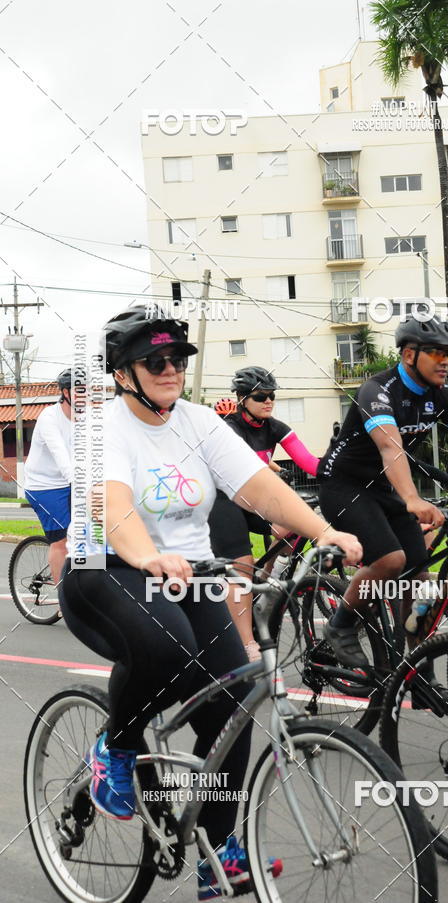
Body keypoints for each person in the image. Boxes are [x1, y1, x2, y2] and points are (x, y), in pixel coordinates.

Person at [58, 307, 361, 897]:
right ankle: (114, 750)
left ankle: (218, 849)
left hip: (190, 573)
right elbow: (113, 504)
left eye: (178, 360)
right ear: (124, 373)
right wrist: (147, 555)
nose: (171, 370)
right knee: (165, 648)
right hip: (106, 570)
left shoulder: (197, 422)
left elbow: (259, 486)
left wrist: (323, 530)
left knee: (234, 699)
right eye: (155, 362)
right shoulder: (103, 430)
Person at [318, 314, 448, 668]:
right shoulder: (378, 390)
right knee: (391, 560)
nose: (445, 360)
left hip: (384, 487)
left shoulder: (444, 395)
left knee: (419, 579)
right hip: (343, 484)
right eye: (436, 352)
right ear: (409, 354)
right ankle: (341, 625)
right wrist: (412, 499)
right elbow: (390, 448)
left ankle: (415, 668)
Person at [209, 367, 320, 661]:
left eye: (272, 396)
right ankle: (246, 642)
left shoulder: (275, 427)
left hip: (254, 493)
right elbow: (245, 468)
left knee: (290, 531)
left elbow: (309, 462)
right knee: (242, 565)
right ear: (243, 398)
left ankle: (266, 585)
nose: (268, 401)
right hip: (224, 499)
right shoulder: (229, 427)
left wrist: (341, 471)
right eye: (261, 397)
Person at [24, 368, 75, 586]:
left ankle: (86, 585)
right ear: (65, 392)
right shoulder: (49, 418)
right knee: (61, 541)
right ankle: (64, 600)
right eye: (79, 390)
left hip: (69, 483)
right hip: (43, 487)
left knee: (93, 534)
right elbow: (61, 455)